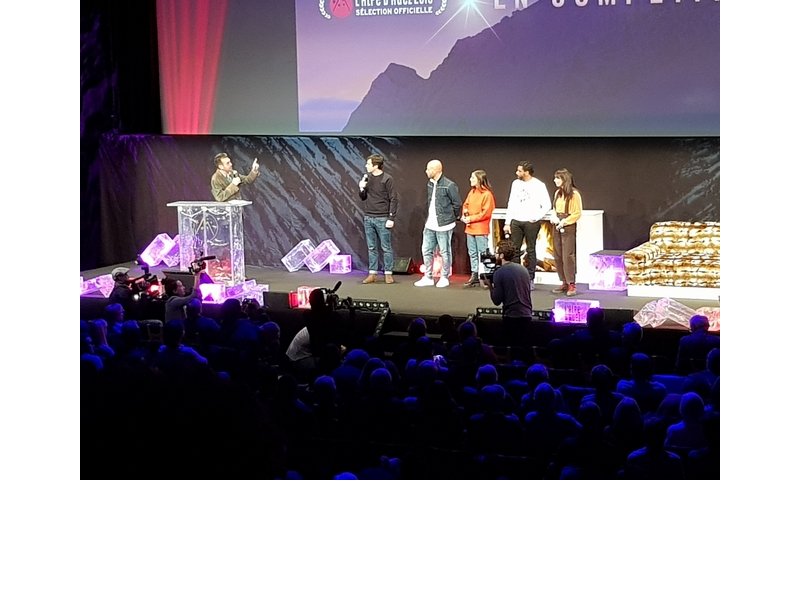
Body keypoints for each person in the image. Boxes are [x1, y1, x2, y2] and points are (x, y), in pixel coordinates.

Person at [503, 161, 551, 290]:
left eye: (519, 171)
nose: (517, 173)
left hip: (531, 223)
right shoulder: (515, 184)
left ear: (527, 172)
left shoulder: (539, 185)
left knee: (531, 250)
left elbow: (547, 204)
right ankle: (516, 278)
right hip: (516, 221)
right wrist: (507, 222)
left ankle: (530, 279)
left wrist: (536, 216)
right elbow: (511, 202)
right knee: (515, 250)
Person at [414, 159, 461, 288]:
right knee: (426, 250)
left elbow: (457, 204)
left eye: (428, 169)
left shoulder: (449, 185)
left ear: (436, 170)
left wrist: (451, 218)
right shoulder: (430, 184)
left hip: (444, 225)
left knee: (444, 252)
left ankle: (444, 277)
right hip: (430, 224)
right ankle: (428, 277)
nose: (426, 171)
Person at [358, 154, 398, 285]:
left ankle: (388, 273)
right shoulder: (367, 178)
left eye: (368, 164)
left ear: (375, 166)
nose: (366, 166)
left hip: (382, 217)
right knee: (371, 247)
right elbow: (363, 197)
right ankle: (372, 273)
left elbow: (393, 198)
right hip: (368, 217)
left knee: (386, 247)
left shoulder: (387, 179)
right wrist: (362, 188)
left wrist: (391, 217)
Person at [487, 239, 533, 345]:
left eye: (496, 253)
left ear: (502, 255)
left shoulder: (499, 272)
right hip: (527, 314)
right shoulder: (523, 269)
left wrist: (489, 285)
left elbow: (496, 301)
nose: (495, 255)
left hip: (511, 316)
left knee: (510, 346)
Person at [549, 168, 583, 297]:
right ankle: (563, 281)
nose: (555, 180)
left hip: (568, 226)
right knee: (558, 254)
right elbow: (554, 208)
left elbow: (577, 213)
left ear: (564, 179)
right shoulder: (557, 193)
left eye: (557, 178)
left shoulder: (574, 194)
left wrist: (564, 222)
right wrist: (554, 216)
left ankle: (571, 283)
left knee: (568, 255)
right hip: (557, 224)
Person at [460, 169, 496, 288]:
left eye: (473, 177)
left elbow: (486, 213)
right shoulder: (472, 192)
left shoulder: (487, 195)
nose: (470, 179)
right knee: (472, 253)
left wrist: (471, 218)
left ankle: (487, 277)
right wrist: (465, 215)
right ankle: (474, 275)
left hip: (480, 229)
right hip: (470, 228)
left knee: (484, 254)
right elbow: (466, 205)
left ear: (479, 180)